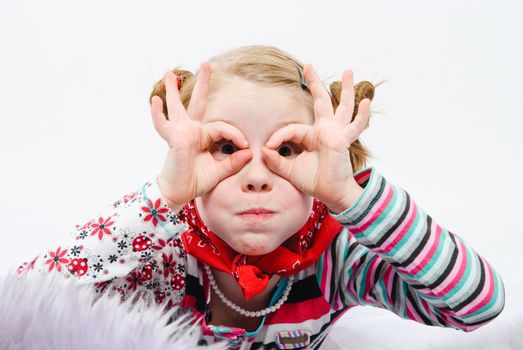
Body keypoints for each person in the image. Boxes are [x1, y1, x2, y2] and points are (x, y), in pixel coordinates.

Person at [15, 45, 505, 349]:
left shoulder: (338, 259)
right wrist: (163, 196)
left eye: (287, 150)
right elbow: (22, 312)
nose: (256, 177)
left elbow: (476, 305)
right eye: (225, 148)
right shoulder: (161, 248)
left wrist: (349, 197)